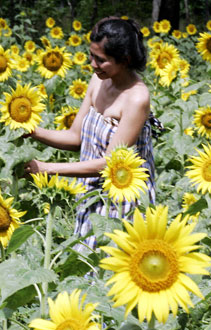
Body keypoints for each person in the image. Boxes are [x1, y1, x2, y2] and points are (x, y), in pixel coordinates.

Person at [24, 16, 157, 251]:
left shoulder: (136, 98)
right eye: (91, 55)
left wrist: (47, 169)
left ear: (124, 60)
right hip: (91, 194)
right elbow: (76, 137)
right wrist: (33, 131)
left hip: (120, 200)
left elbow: (110, 164)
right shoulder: (98, 80)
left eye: (101, 60)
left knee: (107, 268)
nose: (92, 64)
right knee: (84, 265)